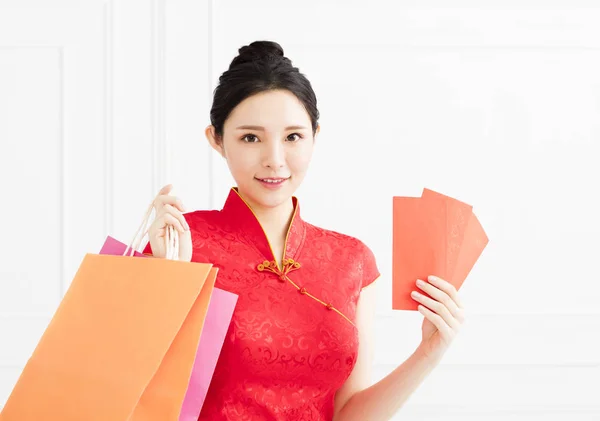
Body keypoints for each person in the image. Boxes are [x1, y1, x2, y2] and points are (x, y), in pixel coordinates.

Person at [143, 40, 465, 421]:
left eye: (293, 137)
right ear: (217, 139)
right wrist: (167, 280)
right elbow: (139, 396)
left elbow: (349, 413)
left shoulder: (353, 260)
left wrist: (428, 353)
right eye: (250, 137)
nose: (274, 160)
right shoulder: (179, 242)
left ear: (314, 135)